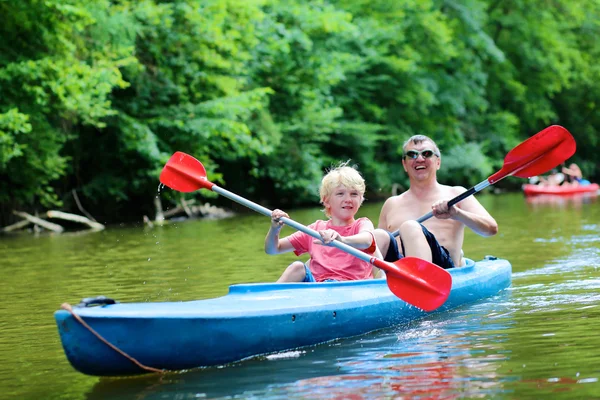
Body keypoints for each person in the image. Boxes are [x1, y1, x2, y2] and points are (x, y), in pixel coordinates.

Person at [374, 135, 498, 269]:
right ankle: (369, 283)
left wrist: (457, 213)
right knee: (377, 236)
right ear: (404, 164)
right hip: (400, 271)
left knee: (410, 227)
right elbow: (379, 249)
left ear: (438, 162)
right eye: (412, 155)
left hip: (443, 269)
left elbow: (490, 229)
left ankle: (421, 282)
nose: (420, 159)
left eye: (426, 154)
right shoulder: (391, 204)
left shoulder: (456, 194)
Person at [265, 162, 382, 282]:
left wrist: (341, 240)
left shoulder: (362, 224)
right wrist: (275, 229)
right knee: (297, 267)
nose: (348, 199)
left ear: (360, 199)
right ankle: (270, 299)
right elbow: (273, 249)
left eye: (354, 194)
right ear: (326, 200)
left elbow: (367, 241)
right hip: (319, 289)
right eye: (340, 194)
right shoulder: (315, 229)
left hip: (350, 287)